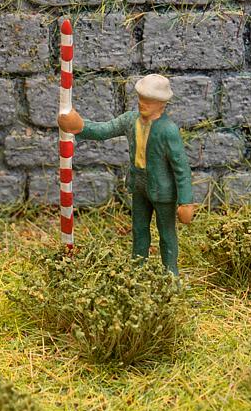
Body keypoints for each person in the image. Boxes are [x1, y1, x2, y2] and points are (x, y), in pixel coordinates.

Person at [57, 74, 195, 276]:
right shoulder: (131, 120)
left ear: (162, 104)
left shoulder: (168, 130)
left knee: (166, 233)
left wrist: (186, 201)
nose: (142, 104)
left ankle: (170, 275)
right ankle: (137, 272)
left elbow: (181, 168)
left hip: (162, 191)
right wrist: (80, 126)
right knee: (139, 229)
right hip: (138, 185)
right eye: (140, 98)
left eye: (148, 101)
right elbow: (106, 129)